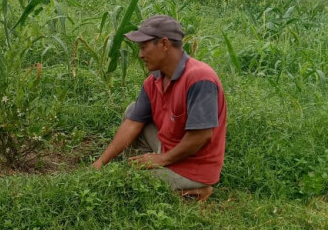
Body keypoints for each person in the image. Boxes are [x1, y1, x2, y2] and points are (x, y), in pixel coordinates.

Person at [92, 15, 227, 201]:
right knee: (133, 111)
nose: (140, 55)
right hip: (170, 149)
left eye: (144, 47)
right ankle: (158, 173)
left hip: (194, 165)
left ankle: (196, 189)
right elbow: (132, 123)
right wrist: (100, 163)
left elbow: (201, 135)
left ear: (164, 44)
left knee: (129, 185)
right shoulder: (154, 80)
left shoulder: (199, 78)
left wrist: (161, 160)